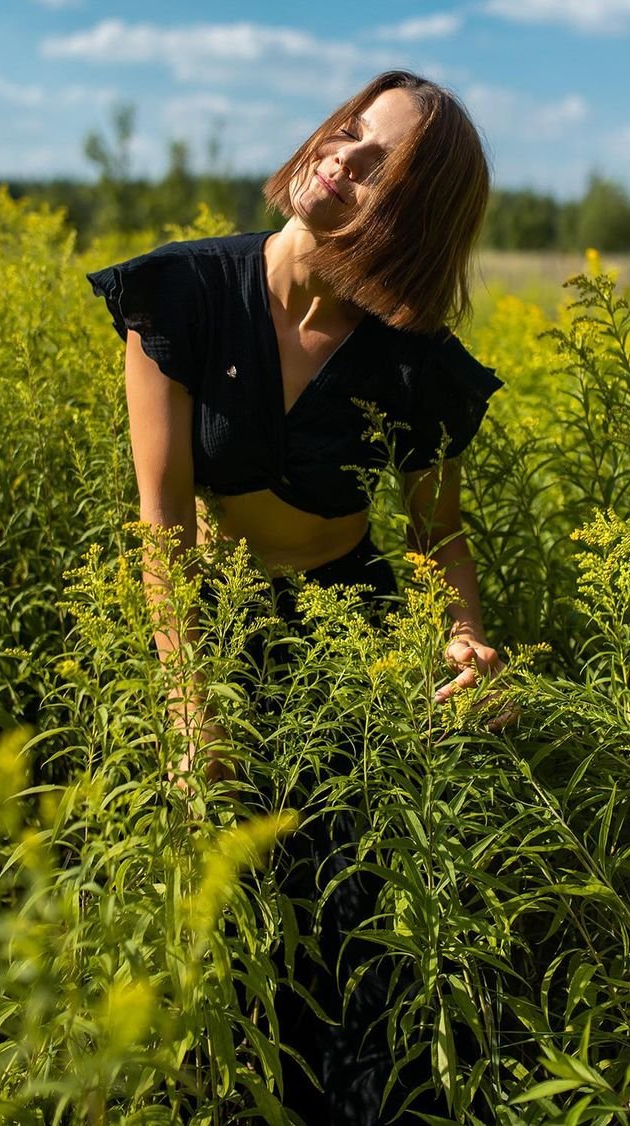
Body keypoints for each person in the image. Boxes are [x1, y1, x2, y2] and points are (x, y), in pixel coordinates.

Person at [86, 68, 506, 1120]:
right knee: (224, 920)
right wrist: (193, 711)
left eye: (380, 164)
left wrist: (465, 637)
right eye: (347, 132)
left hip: (350, 635)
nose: (342, 157)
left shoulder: (416, 363)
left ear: (413, 214)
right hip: (212, 627)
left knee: (357, 920)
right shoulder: (179, 295)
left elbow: (436, 534)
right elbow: (164, 526)